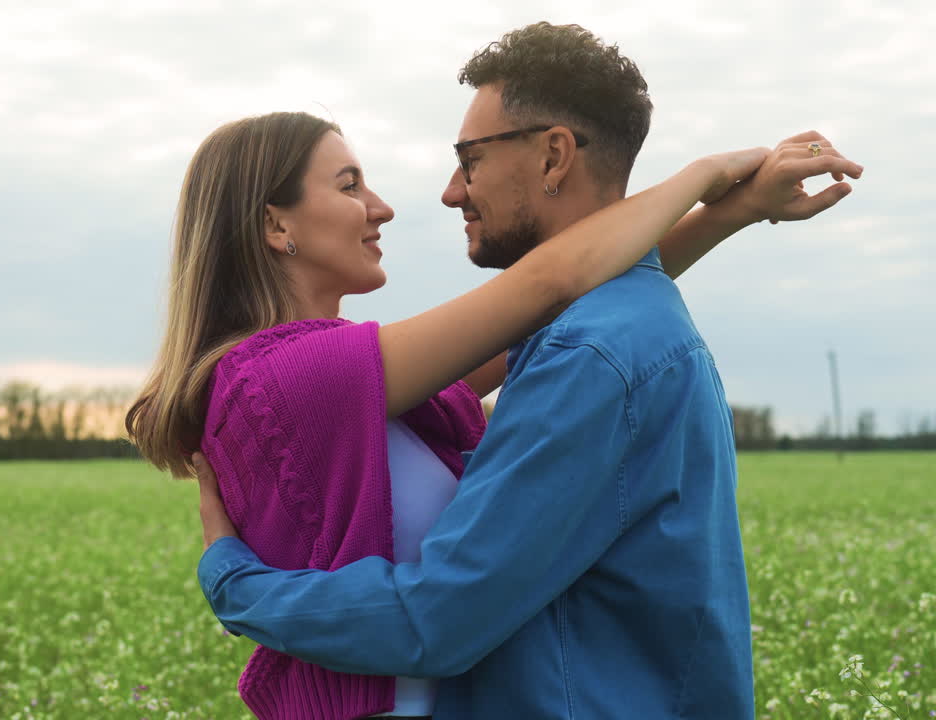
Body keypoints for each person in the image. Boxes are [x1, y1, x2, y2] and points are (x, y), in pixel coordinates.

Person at [185, 23, 863, 720]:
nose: (440, 195)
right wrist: (713, 186)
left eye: (469, 160)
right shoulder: (305, 375)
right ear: (275, 226)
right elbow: (554, 287)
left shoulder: (583, 349)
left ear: (553, 156)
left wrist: (729, 204)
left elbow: (559, 293)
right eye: (352, 184)